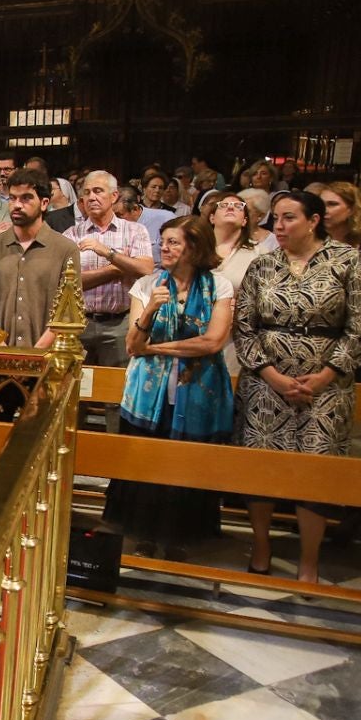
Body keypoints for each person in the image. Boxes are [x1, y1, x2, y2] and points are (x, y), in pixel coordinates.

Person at [232, 191, 361, 584]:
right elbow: (244, 328)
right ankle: (261, 544)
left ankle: (309, 560)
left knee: (315, 473)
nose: (278, 226)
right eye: (275, 219)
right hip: (266, 387)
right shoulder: (262, 265)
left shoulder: (347, 261)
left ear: (313, 221)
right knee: (261, 468)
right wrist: (272, 376)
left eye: (288, 218)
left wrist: (327, 374)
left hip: (325, 388)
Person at [107, 215, 236, 551]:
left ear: (196, 247)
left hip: (198, 391)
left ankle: (181, 537)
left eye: (174, 242)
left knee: (186, 464)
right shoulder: (147, 285)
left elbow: (212, 342)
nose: (164, 247)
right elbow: (132, 346)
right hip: (148, 393)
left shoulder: (218, 287)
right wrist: (149, 310)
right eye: (162, 241)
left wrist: (154, 349)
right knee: (147, 461)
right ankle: (145, 535)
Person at [0, 168, 75, 349]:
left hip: (48, 359)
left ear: (44, 203)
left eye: (26, 198)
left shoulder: (65, 249)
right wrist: (0, 346)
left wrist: (35, 354)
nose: (17, 205)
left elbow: (68, 312)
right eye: (12, 198)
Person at [66, 171, 154, 367]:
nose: (91, 197)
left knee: (114, 391)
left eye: (98, 191)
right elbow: (67, 282)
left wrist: (108, 253)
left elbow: (146, 269)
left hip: (120, 324)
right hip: (80, 323)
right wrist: (116, 269)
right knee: (75, 391)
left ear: (114, 196)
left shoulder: (134, 230)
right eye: (87, 193)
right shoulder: (71, 234)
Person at [314, 181, 361, 384]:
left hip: (358, 329)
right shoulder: (312, 242)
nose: (325, 210)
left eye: (332, 204)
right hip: (318, 330)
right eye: (322, 205)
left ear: (352, 209)